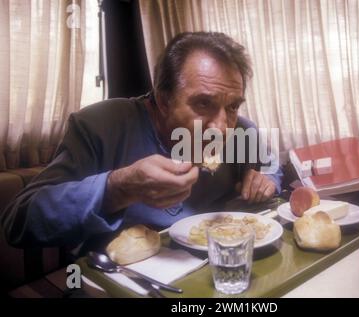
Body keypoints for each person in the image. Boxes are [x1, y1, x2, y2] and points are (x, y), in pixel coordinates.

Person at [1, 32, 282, 250]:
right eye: (203, 103)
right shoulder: (100, 126)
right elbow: (19, 222)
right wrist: (116, 188)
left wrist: (267, 178)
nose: (221, 128)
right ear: (163, 100)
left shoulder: (241, 132)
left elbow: (270, 166)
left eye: (232, 106)